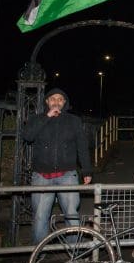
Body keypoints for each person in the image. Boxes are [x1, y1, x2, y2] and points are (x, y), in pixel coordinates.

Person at [22, 88, 93, 244]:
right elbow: (27, 136)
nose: (56, 101)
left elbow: (82, 146)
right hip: (41, 175)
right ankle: (38, 253)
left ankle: (74, 251)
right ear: (47, 102)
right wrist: (46, 117)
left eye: (60, 99)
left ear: (64, 103)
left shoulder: (73, 121)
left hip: (67, 174)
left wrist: (86, 170)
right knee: (40, 215)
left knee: (71, 214)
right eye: (53, 99)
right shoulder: (37, 119)